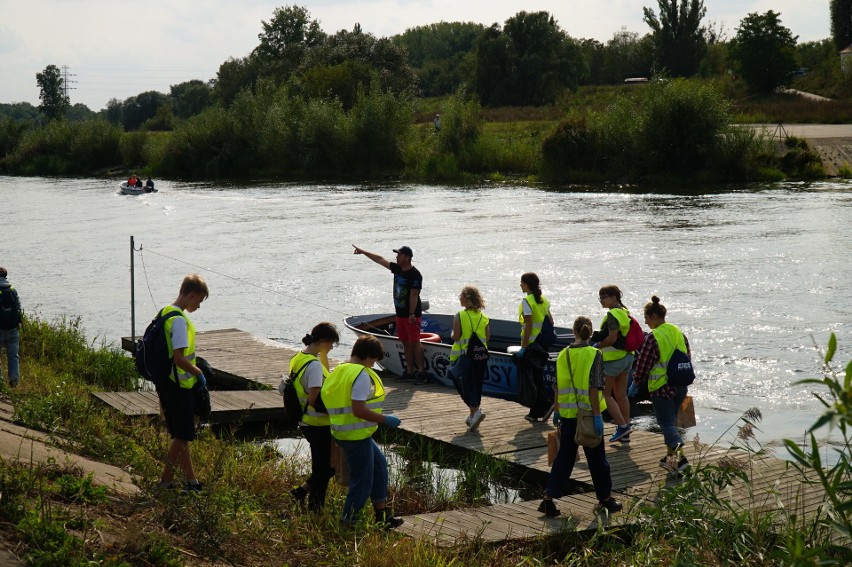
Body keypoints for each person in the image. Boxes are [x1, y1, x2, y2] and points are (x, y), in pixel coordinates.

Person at [538, 316, 622, 517]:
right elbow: (595, 389)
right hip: (587, 415)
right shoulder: (595, 354)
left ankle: (548, 500)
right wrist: (597, 416)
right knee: (597, 460)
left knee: (564, 459)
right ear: (590, 333)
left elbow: (558, 386)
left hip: (568, 416)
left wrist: (557, 410)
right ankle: (605, 500)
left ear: (573, 332)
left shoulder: (562, 355)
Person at [321, 335, 404, 528]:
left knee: (380, 466)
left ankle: (382, 516)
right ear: (368, 356)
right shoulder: (361, 375)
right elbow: (358, 409)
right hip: (355, 435)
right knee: (363, 482)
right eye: (374, 361)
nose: (373, 365)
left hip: (342, 431)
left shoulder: (338, 370)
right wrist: (385, 419)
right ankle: (348, 522)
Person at [156, 274, 209, 492]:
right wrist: (199, 373)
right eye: (199, 301)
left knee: (182, 434)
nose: (198, 306)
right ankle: (165, 482)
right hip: (180, 386)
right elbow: (179, 358)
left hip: (166, 382)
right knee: (181, 436)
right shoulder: (178, 320)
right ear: (192, 295)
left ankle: (191, 481)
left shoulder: (165, 312)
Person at [631, 295, 692, 474]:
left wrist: (635, 383)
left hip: (661, 387)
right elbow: (687, 356)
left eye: (646, 318)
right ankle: (670, 460)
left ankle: (681, 459)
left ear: (654, 317)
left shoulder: (653, 337)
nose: (645, 321)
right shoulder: (678, 333)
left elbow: (643, 365)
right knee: (671, 423)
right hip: (680, 385)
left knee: (666, 424)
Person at [352, 244, 428, 384]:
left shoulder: (415, 274)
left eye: (399, 255)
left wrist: (411, 313)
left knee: (415, 342)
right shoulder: (397, 269)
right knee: (405, 342)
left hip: (412, 315)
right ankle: (410, 371)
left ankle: (421, 373)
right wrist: (363, 251)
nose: (396, 257)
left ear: (407, 257)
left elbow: (414, 294)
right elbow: (380, 259)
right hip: (400, 314)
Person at [283, 322, 339, 512]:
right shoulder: (314, 366)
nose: (331, 348)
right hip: (317, 423)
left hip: (305, 420)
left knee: (323, 467)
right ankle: (314, 506)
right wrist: (337, 413)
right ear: (323, 341)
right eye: (331, 344)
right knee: (327, 468)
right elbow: (315, 399)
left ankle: (303, 496)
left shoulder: (298, 357)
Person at [594, 285, 634, 443]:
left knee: (605, 394)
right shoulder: (624, 312)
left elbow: (612, 338)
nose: (601, 301)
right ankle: (626, 431)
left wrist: (597, 346)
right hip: (626, 357)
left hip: (613, 360)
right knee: (621, 395)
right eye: (600, 297)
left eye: (603, 297)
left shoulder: (612, 315)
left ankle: (622, 426)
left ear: (614, 297)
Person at [449, 286, 490, 431]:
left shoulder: (460, 315)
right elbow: (487, 337)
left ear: (467, 298)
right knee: (476, 384)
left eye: (461, 296)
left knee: (463, 383)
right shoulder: (483, 317)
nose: (459, 298)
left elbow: (457, 336)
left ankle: (475, 410)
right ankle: (473, 414)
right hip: (480, 356)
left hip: (464, 356)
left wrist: (452, 334)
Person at [516, 272, 554, 422]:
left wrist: (523, 347)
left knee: (532, 378)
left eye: (521, 282)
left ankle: (541, 407)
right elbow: (550, 320)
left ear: (527, 284)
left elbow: (529, 325)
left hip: (532, 345)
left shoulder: (527, 301)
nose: (520, 285)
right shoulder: (543, 300)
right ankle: (539, 409)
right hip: (543, 343)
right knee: (538, 376)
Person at [0, 267, 22, 388]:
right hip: (13, 328)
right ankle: (14, 381)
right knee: (13, 356)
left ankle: (0, 383)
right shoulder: (12, 289)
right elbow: (18, 307)